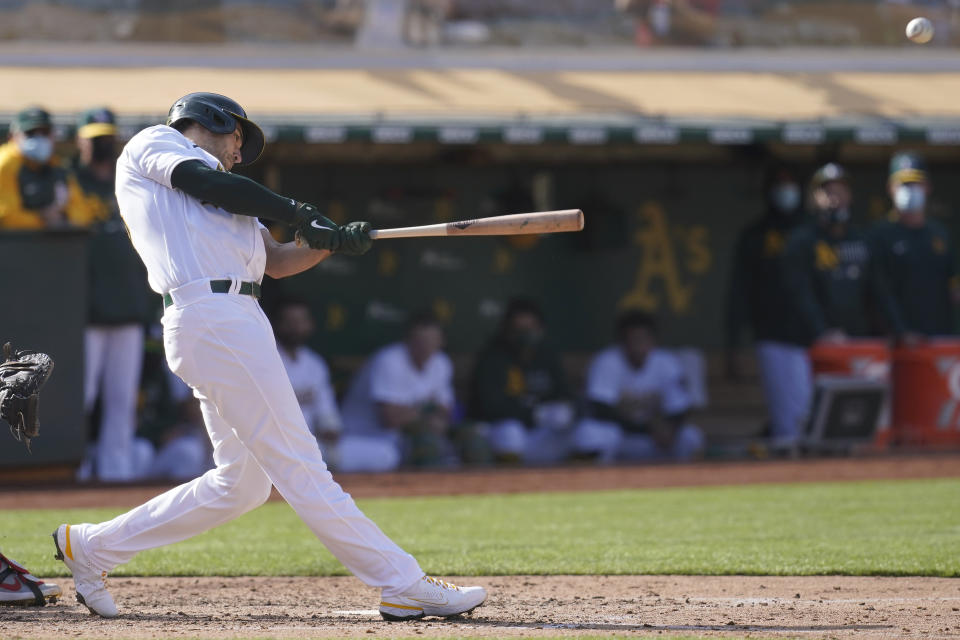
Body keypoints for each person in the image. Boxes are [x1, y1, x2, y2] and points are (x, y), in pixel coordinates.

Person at [51, 92, 486, 621]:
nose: (240, 152)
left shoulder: (230, 203)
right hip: (209, 314)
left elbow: (277, 262)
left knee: (242, 484)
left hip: (235, 318)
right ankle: (402, 582)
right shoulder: (157, 145)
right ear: (213, 122)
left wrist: (333, 242)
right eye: (239, 139)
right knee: (300, 463)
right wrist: (301, 211)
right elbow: (209, 182)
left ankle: (92, 546)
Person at [69, 107, 153, 482]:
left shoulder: (128, 181)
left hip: (128, 308)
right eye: (94, 139)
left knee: (122, 400)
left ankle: (115, 473)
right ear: (79, 142)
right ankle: (74, 466)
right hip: (84, 311)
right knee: (81, 397)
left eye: (107, 138)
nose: (102, 146)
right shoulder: (70, 181)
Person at [725, 164, 812, 446]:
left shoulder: (811, 231)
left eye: (790, 183)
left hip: (817, 337)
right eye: (779, 185)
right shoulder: (755, 235)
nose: (786, 191)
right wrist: (732, 344)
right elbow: (738, 291)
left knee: (820, 420)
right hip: (773, 334)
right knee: (789, 422)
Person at [573, 310, 705, 463]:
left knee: (690, 437)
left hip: (655, 440)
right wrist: (647, 428)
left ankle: (686, 482)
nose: (639, 345)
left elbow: (680, 407)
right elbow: (601, 410)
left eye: (644, 339)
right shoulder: (607, 361)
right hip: (624, 437)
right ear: (623, 342)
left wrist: (670, 429)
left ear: (653, 341)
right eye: (634, 339)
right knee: (595, 434)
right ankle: (597, 482)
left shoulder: (666, 362)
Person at [340, 312, 456, 471]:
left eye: (432, 341)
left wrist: (422, 415)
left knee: (468, 439)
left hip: (397, 439)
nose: (426, 347)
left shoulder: (441, 362)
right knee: (424, 442)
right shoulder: (388, 360)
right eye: (420, 341)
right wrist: (428, 412)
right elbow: (389, 419)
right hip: (363, 436)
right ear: (408, 341)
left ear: (441, 341)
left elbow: (446, 412)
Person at [469, 298, 574, 465]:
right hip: (502, 433)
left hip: (538, 436)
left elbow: (566, 394)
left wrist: (565, 411)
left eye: (530, 329)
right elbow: (490, 408)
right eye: (519, 330)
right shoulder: (492, 358)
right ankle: (508, 482)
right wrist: (534, 414)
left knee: (583, 434)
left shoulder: (547, 355)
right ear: (507, 330)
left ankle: (569, 484)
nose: (525, 335)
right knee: (510, 433)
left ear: (540, 329)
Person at [870, 152, 957, 339]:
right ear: (890, 188)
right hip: (896, 342)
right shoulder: (880, 235)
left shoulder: (940, 233)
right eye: (903, 184)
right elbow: (879, 292)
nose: (910, 189)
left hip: (939, 338)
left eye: (916, 183)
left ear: (928, 187)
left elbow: (953, 286)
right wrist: (901, 331)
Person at [272, 297, 343, 467]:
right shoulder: (265, 359)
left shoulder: (315, 364)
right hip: (274, 440)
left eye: (300, 321)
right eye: (289, 322)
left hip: (312, 440)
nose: (295, 327)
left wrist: (330, 430)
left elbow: (327, 412)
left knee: (381, 453)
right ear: (276, 324)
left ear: (310, 324)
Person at [0, 106, 71, 229]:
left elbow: (78, 211)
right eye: (30, 133)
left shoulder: (56, 164)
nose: (38, 138)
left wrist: (63, 218)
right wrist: (44, 219)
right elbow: (6, 216)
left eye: (44, 132)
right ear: (12, 136)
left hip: (49, 244)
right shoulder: (5, 163)